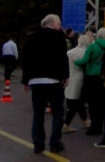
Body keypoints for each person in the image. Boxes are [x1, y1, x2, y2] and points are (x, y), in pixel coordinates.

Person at [21, 14, 69, 154]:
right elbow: (62, 57)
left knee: (38, 113)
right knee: (58, 111)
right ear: (53, 24)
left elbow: (26, 60)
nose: (60, 26)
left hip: (36, 80)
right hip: (54, 79)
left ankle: (38, 143)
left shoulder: (31, 38)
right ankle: (55, 143)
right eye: (59, 23)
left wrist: (26, 80)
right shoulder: (58, 36)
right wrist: (65, 76)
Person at [75, 27, 105, 136]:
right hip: (104, 77)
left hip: (91, 77)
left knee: (92, 104)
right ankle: (100, 126)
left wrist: (76, 62)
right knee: (100, 104)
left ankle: (94, 128)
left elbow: (84, 61)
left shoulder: (92, 46)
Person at [63, 35, 91, 134]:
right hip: (80, 79)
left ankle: (85, 121)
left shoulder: (69, 52)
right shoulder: (86, 52)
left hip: (70, 78)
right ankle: (66, 124)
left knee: (76, 103)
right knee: (78, 103)